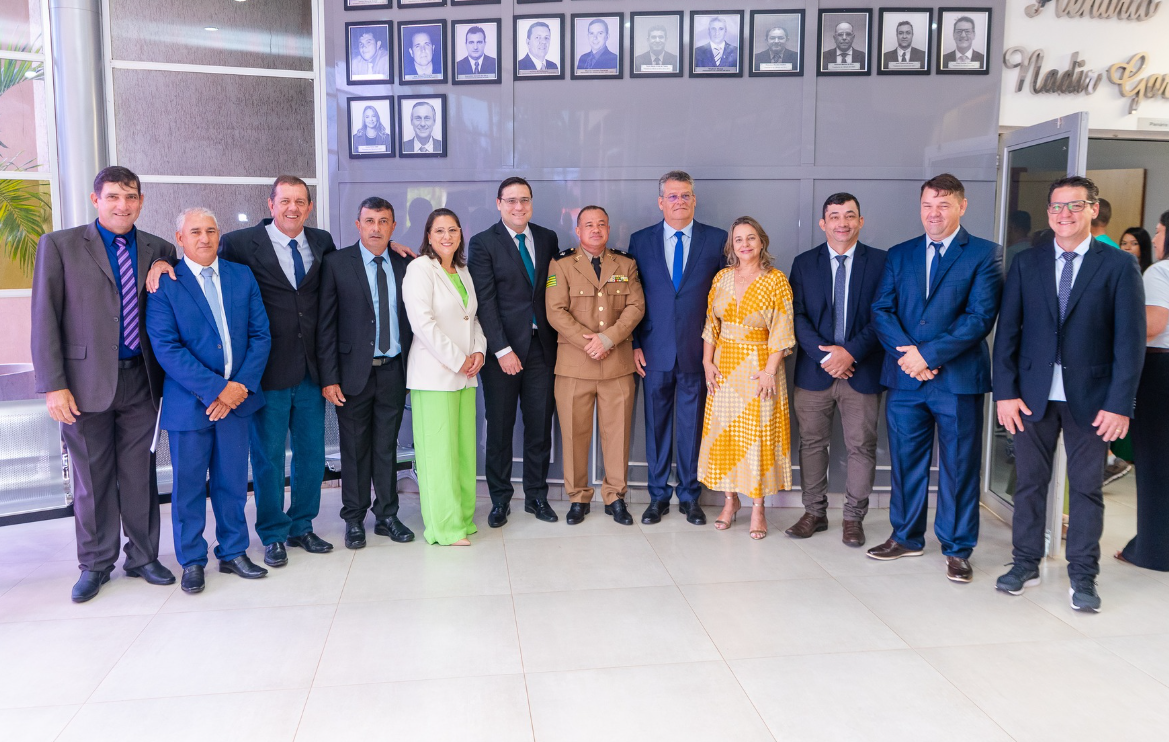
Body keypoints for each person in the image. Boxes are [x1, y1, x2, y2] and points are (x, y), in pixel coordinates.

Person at [993, 176, 1145, 611]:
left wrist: (1120, 403)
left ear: (1093, 209)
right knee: (1028, 485)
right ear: (1048, 214)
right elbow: (1008, 334)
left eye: (1075, 206)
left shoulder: (1117, 266)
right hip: (1030, 397)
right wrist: (1004, 392)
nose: (1064, 214)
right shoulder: (1027, 263)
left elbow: (1129, 343)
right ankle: (1025, 563)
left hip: (1093, 400)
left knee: (1085, 490)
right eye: (1057, 207)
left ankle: (1083, 576)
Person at [31, 166, 177, 603]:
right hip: (83, 384)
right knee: (91, 479)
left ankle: (144, 557)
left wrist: (170, 265)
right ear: (96, 200)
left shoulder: (158, 248)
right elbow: (44, 320)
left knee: (139, 475)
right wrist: (53, 385)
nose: (122, 205)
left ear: (141, 201)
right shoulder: (59, 245)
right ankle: (95, 563)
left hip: (142, 382)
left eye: (130, 197)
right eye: (113, 196)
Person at [869, 173, 1003, 583]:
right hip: (906, 380)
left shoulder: (985, 254)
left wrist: (927, 354)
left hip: (957, 381)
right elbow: (881, 310)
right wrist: (911, 357)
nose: (934, 213)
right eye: (928, 205)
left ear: (962, 207)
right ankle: (906, 537)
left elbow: (979, 317)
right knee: (906, 463)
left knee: (959, 467)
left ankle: (958, 548)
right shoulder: (900, 253)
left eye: (943, 205)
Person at [146, 208, 272, 594]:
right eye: (195, 231)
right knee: (187, 489)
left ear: (220, 235)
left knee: (233, 482)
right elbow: (166, 348)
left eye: (211, 231)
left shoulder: (241, 275)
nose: (204, 238)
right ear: (179, 238)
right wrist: (218, 389)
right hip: (190, 404)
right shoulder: (165, 283)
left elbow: (260, 335)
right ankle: (192, 560)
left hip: (238, 402)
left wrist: (240, 388)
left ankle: (233, 551)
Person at [628, 171, 729, 526]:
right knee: (655, 427)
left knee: (691, 427)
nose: (679, 202)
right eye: (672, 196)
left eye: (685, 195)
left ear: (695, 200)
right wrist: (635, 344)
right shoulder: (640, 241)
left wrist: (715, 353)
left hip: (697, 353)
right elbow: (631, 299)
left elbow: (723, 301)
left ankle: (689, 496)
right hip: (653, 351)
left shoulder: (717, 240)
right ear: (660, 202)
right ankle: (657, 496)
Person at [786, 194, 887, 547]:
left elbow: (884, 315)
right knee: (812, 445)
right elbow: (795, 316)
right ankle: (814, 512)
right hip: (814, 374)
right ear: (822, 223)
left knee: (861, 447)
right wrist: (826, 356)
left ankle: (853, 519)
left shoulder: (881, 262)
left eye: (849, 216)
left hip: (863, 371)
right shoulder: (803, 263)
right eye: (834, 216)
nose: (841, 223)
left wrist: (850, 353)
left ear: (861, 221)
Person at [317, 198, 415, 550]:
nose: (376, 228)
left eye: (383, 221)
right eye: (369, 221)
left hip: (393, 370)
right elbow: (325, 326)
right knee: (354, 449)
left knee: (386, 446)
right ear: (358, 224)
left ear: (393, 226)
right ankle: (354, 518)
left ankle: (387, 515)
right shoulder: (336, 263)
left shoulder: (407, 264)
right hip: (351, 375)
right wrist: (329, 377)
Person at [468, 177, 559, 527]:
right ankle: (500, 499)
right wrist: (502, 349)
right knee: (500, 428)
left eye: (524, 200)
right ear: (498, 203)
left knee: (539, 427)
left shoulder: (548, 238)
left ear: (531, 202)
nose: (518, 206)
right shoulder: (482, 243)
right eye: (511, 201)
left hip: (542, 349)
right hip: (501, 353)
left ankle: (536, 496)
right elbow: (485, 302)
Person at [546, 206, 645, 525]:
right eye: (588, 225)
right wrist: (589, 341)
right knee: (574, 435)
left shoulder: (626, 263)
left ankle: (615, 496)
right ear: (577, 230)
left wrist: (608, 339)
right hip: (575, 365)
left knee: (618, 434)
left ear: (609, 228)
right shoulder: (561, 263)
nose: (596, 229)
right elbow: (555, 310)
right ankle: (578, 497)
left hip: (616, 364)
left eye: (602, 224)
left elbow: (635, 306)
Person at [698, 217, 796, 539]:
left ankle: (758, 508)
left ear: (761, 242)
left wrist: (769, 371)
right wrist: (707, 362)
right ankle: (730, 502)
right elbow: (711, 323)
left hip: (759, 369)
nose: (745, 245)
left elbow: (782, 329)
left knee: (756, 440)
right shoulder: (722, 278)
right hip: (724, 367)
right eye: (738, 239)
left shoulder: (776, 280)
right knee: (726, 436)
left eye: (751, 238)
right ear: (731, 245)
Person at [403, 209, 487, 546]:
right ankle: (443, 527)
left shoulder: (462, 270)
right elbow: (422, 324)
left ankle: (463, 519)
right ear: (428, 235)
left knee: (464, 452)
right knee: (438, 456)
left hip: (466, 375)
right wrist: (459, 359)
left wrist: (478, 351)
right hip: (434, 376)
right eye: (439, 230)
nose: (447, 236)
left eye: (453, 229)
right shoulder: (420, 270)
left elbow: (473, 318)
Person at [1119, 210, 1169, 571]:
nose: (1156, 237)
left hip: (1161, 372)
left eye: (1159, 230)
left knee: (1154, 464)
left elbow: (1151, 325)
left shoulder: (1161, 272)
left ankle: (1152, 550)